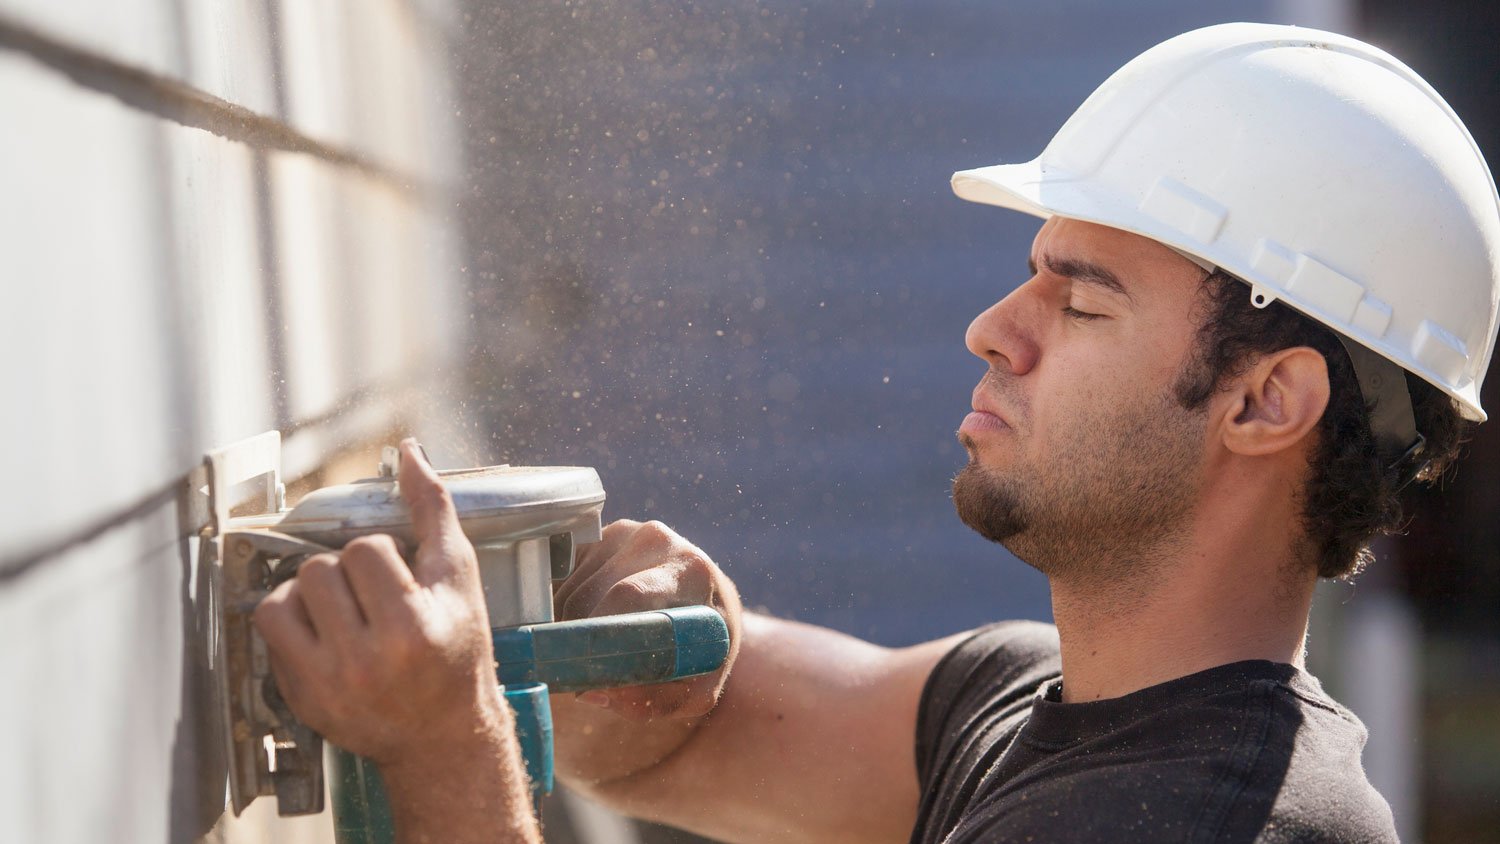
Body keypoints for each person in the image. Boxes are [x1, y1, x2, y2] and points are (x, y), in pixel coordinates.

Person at [252, 23, 1500, 844]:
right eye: (1032, 275)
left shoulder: (1209, 826)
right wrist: (660, 647)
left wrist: (442, 748)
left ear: (1264, 401)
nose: (993, 330)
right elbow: (673, 748)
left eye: (1081, 299)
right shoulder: (1031, 703)